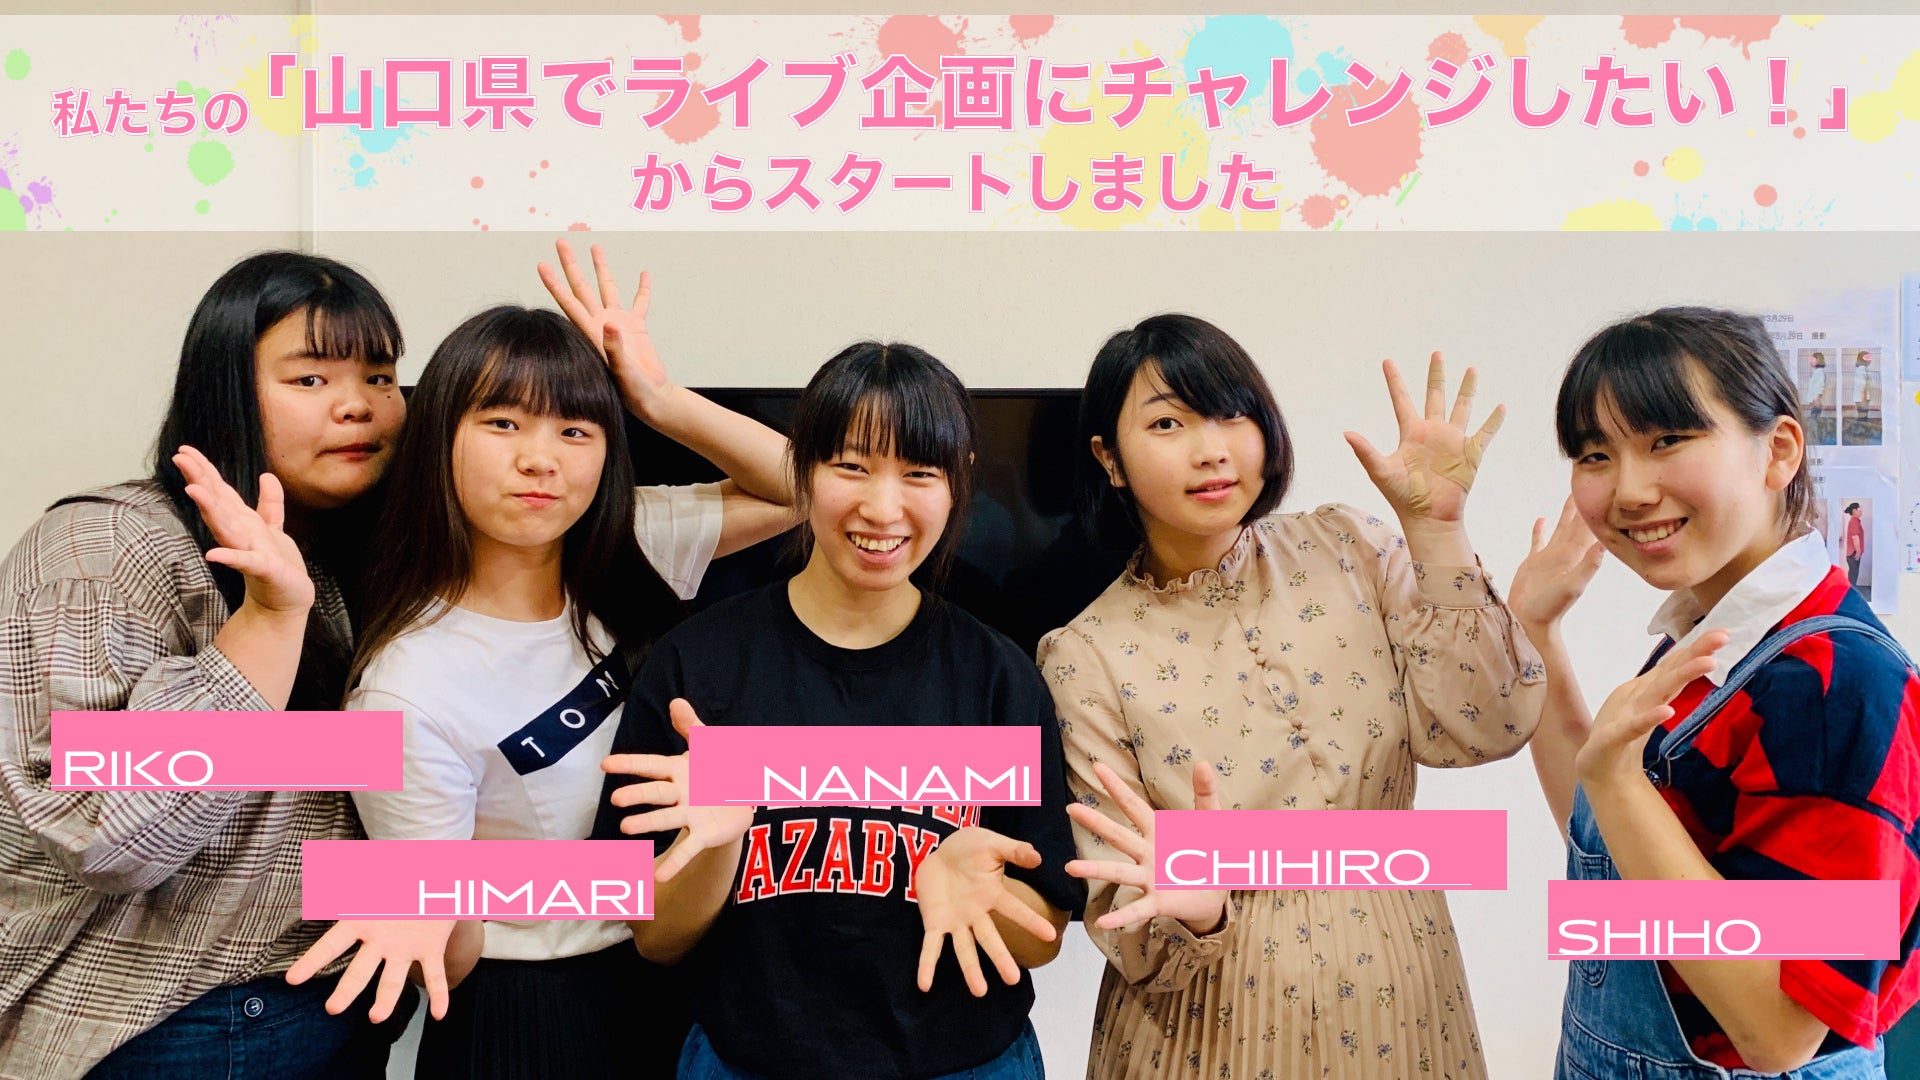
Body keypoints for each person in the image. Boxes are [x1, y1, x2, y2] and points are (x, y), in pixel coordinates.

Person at [325, 243, 795, 1078]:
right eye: (503, 424)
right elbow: (448, 954)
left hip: (674, 976)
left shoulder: (625, 548)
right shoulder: (405, 687)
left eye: (575, 430)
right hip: (528, 1014)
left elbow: (804, 489)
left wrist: (657, 399)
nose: (540, 459)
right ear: (439, 437)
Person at [1037, 314, 1544, 1079]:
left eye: (1231, 414)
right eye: (1168, 423)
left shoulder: (1350, 546)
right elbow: (1122, 914)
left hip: (1401, 987)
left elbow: (1485, 726)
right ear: (1109, 458)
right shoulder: (1085, 653)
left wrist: (1438, 533)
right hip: (1207, 1027)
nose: (1212, 449)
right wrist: (1197, 908)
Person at [591, 342, 1082, 1080]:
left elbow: (1045, 932)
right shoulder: (699, 667)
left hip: (966, 1062)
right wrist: (719, 845)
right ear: (803, 471)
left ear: (959, 483)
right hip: (748, 1063)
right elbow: (656, 939)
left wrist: (986, 891)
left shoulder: (997, 676)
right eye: (851, 466)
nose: (882, 508)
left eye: (920, 473)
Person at [0, 251, 418, 1078]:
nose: (358, 405)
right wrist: (268, 621)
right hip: (174, 1021)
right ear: (224, 388)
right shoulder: (104, 547)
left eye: (380, 376)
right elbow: (108, 836)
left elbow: (356, 780)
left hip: (331, 1002)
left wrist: (652, 403)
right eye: (310, 378)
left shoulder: (358, 551)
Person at [1510, 307, 1920, 1077]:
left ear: (1779, 450)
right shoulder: (1717, 635)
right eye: (1595, 454)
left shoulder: (1838, 686)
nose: (1630, 490)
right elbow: (1610, 847)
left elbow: (1779, 1030)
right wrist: (1536, 632)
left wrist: (1617, 780)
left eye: (1667, 439)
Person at [1845, 502, 1866, 586]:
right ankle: (1850, 592)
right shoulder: (1854, 521)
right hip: (1853, 553)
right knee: (1853, 575)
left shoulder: (1855, 521)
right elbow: (1855, 537)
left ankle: (1850, 591)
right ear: (1854, 510)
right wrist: (1858, 551)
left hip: (1853, 552)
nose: (1861, 511)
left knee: (1853, 574)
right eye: (1859, 509)